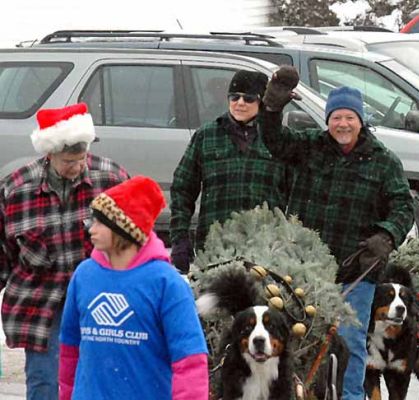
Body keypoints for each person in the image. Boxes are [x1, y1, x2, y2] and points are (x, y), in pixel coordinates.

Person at [259, 69, 415, 399]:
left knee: (350, 339)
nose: (342, 124)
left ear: (361, 121)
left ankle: (350, 396)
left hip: (357, 266)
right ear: (327, 120)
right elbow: (275, 142)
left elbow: (403, 206)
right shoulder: (310, 147)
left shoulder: (382, 161)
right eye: (336, 118)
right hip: (305, 265)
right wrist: (272, 109)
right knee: (300, 335)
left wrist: (386, 236)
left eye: (349, 117)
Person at [0, 103, 128, 400]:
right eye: (69, 160)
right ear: (50, 154)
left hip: (99, 298)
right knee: (45, 382)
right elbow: (3, 254)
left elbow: (136, 240)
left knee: (100, 378)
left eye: (81, 158)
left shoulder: (111, 179)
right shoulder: (16, 188)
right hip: (42, 301)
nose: (78, 166)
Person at [58, 176, 208, 400]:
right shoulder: (84, 275)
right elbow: (70, 347)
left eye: (100, 222)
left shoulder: (166, 283)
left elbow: (189, 359)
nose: (91, 228)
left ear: (123, 230)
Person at [170, 70, 291, 274]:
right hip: (216, 247)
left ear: (262, 101)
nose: (240, 103)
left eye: (249, 98)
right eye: (234, 97)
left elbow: (296, 193)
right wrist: (180, 237)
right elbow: (182, 188)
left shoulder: (279, 140)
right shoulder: (207, 136)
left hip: (267, 249)